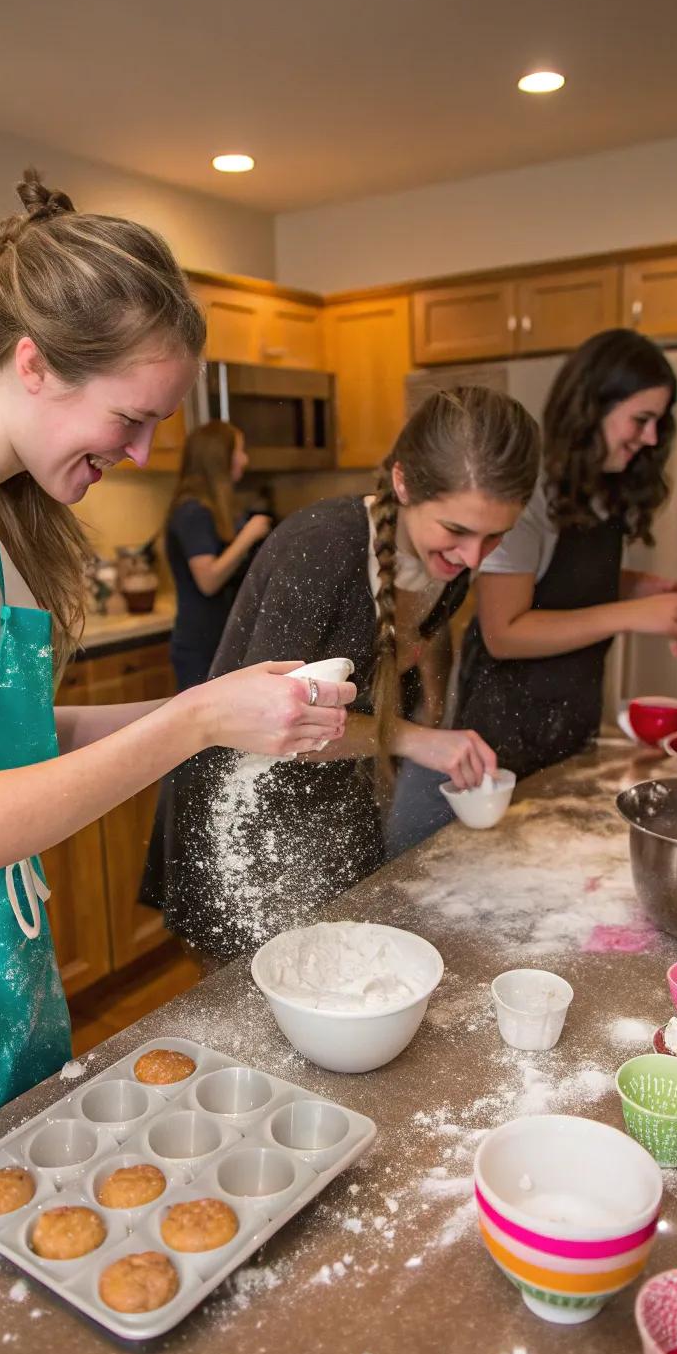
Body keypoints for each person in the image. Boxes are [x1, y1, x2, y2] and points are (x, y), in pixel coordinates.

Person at [0, 171, 352, 1217]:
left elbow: (22, 732)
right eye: (131, 417)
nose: (145, 452)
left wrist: (222, 709)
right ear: (35, 364)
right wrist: (194, 719)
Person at [142, 386, 541, 962]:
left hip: (334, 809)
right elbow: (272, 729)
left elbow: (387, 682)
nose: (475, 558)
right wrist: (418, 740)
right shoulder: (322, 549)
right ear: (403, 483)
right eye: (456, 530)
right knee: (254, 1022)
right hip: (240, 822)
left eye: (495, 536)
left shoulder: (447, 567)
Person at [458, 328, 677, 775]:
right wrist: (633, 614)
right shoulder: (528, 494)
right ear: (593, 408)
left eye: (657, 424)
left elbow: (561, 584)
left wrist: (639, 589)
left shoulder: (601, 489)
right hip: (504, 732)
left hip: (570, 718)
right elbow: (503, 632)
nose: (649, 438)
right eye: (640, 420)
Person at [166, 421, 272, 690]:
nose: (245, 459)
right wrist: (249, 535)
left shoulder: (217, 510)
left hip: (220, 641)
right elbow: (208, 579)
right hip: (201, 648)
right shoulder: (192, 512)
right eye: (240, 450)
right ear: (220, 457)